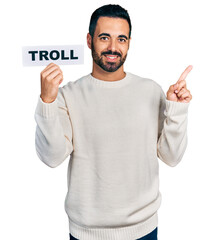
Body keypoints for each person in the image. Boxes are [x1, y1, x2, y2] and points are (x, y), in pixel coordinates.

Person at [34, 4, 192, 240]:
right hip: (85, 233)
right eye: (104, 37)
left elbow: (171, 157)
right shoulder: (67, 95)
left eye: (121, 39)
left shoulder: (150, 90)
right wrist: (47, 100)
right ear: (89, 40)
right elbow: (51, 157)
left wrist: (177, 109)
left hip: (144, 229)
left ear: (129, 43)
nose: (113, 48)